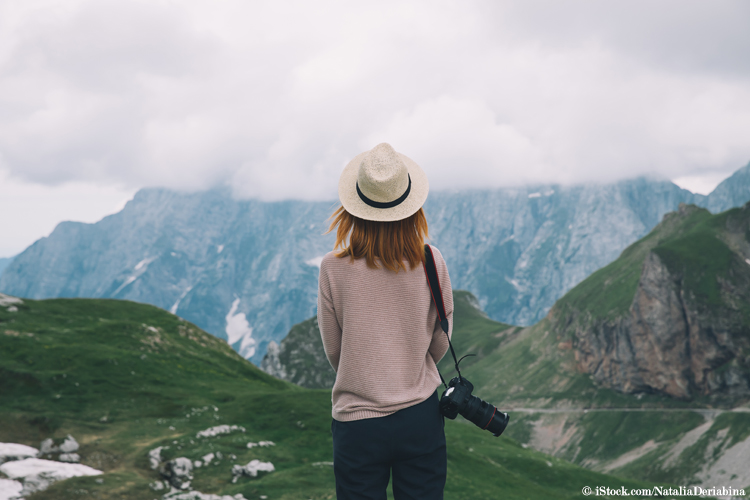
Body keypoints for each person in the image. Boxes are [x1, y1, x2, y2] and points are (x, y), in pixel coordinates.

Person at [317, 142, 454, 500]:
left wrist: (365, 372)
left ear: (353, 208)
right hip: (419, 415)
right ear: (411, 207)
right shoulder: (431, 260)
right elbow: (441, 337)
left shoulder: (332, 267)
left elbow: (334, 349)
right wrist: (407, 368)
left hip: (357, 422)